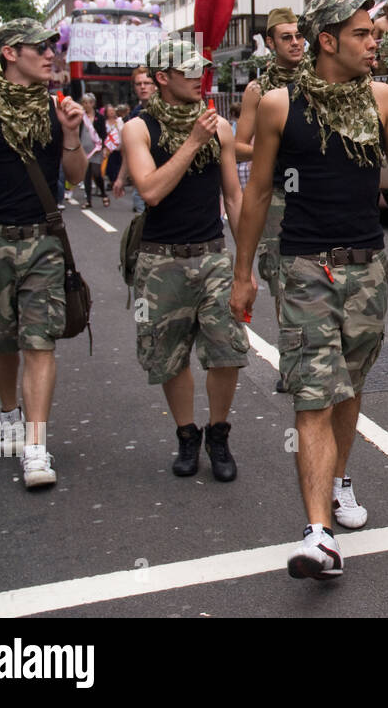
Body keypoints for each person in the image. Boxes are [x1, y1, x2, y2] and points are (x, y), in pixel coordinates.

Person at [232, 0, 388, 580]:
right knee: (315, 393)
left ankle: (340, 479)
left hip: (368, 267)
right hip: (304, 267)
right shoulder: (278, 105)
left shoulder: (381, 98)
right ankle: (318, 535)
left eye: (374, 33)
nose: (375, 42)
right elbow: (260, 192)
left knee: (349, 386)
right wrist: (242, 274)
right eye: (364, 34)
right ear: (328, 41)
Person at [0, 18, 88, 488]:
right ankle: (9, 411)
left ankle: (36, 445)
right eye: (39, 48)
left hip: (44, 241)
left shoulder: (58, 108)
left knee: (39, 340)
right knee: (1, 337)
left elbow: (76, 176)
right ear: (9, 53)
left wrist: (70, 135)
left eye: (52, 47)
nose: (50, 55)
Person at [122, 40, 247, 480]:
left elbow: (233, 195)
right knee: (169, 358)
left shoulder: (221, 128)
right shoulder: (139, 128)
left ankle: (218, 432)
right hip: (160, 261)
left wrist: (245, 264)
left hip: (213, 255)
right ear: (162, 78)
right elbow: (151, 191)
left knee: (227, 351)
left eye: (201, 70)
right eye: (189, 71)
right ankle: (186, 435)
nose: (200, 77)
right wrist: (194, 140)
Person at [234, 7, 308, 343]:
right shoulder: (257, 90)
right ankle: (291, 355)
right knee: (283, 276)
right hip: (277, 193)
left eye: (299, 36)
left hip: (317, 190)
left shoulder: (321, 78)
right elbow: (237, 147)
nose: (295, 43)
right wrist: (272, 151)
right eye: (286, 37)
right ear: (270, 43)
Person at [113, 66, 157, 214]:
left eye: (147, 83)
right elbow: (130, 151)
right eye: (139, 84)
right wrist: (120, 178)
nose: (143, 87)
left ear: (155, 85)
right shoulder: (135, 114)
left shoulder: (166, 112)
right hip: (142, 181)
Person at [78, 93, 106, 208]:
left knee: (96, 172)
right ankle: (88, 200)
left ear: (93, 103)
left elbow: (103, 133)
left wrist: (103, 148)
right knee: (86, 174)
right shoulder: (80, 117)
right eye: (84, 102)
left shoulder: (99, 117)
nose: (87, 105)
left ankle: (103, 192)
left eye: (89, 102)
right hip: (83, 148)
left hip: (96, 149)